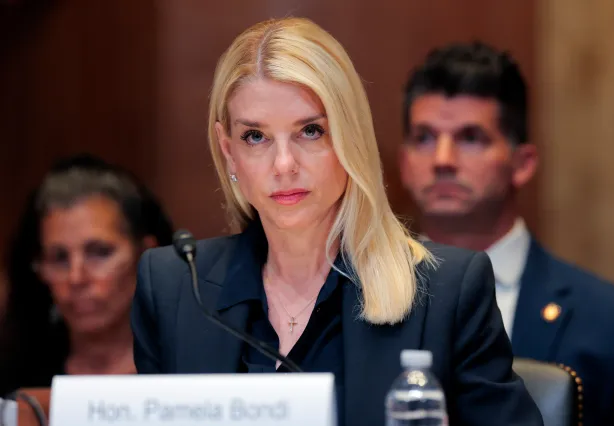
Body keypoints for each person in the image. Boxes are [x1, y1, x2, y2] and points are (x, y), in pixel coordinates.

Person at [131, 18, 543, 426]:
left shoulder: (448, 293)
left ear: (351, 137)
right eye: (255, 136)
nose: (284, 165)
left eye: (310, 131)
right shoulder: (174, 288)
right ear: (228, 152)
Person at [399, 41, 614, 426]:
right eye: (424, 138)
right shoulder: (351, 299)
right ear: (403, 161)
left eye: (470, 138)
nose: (442, 160)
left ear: (522, 163)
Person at [0, 154, 174, 395]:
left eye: (99, 252)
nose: (76, 278)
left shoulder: (188, 371)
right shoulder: (14, 382)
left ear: (146, 255)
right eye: (59, 258)